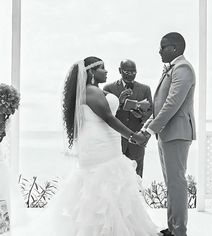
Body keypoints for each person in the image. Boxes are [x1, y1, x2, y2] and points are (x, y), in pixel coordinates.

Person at [14, 56, 159, 236]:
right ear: (91, 72)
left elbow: (105, 113)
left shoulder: (93, 91)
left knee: (108, 186)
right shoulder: (91, 92)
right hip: (102, 145)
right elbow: (108, 117)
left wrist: (121, 103)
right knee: (106, 185)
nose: (106, 71)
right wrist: (132, 136)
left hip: (104, 142)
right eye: (102, 68)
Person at [133, 33, 196, 236]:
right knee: (172, 184)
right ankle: (173, 228)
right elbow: (161, 107)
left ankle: (179, 232)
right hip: (167, 134)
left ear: (175, 48)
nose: (159, 51)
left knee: (176, 184)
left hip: (176, 134)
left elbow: (172, 105)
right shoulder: (173, 69)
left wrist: (150, 131)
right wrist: (147, 127)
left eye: (163, 47)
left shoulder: (183, 69)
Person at [103, 59, 152, 177]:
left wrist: (141, 116)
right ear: (120, 70)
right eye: (127, 71)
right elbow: (105, 114)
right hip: (116, 140)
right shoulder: (109, 88)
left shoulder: (145, 89)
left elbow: (151, 112)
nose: (131, 75)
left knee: (137, 175)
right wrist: (119, 104)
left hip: (136, 141)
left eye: (133, 72)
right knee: (114, 175)